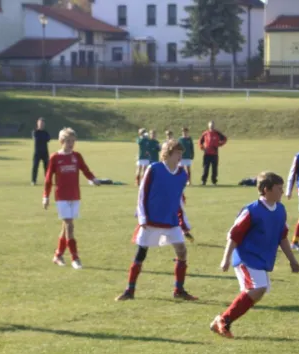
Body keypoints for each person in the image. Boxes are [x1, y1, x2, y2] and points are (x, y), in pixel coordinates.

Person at [210, 172, 299, 339]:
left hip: (261, 260)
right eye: (279, 188)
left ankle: (222, 321)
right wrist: (226, 259)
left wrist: (292, 260)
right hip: (246, 258)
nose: (282, 191)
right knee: (257, 288)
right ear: (266, 190)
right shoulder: (252, 211)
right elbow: (233, 235)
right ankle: (224, 320)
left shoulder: (280, 210)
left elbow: (282, 237)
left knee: (257, 291)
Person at [115, 140, 198, 302]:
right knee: (141, 253)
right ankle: (129, 290)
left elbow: (178, 200)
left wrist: (184, 223)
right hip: (152, 220)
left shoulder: (182, 174)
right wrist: (143, 217)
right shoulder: (154, 169)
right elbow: (142, 193)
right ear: (168, 153)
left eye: (181, 153)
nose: (180, 156)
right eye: (177, 153)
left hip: (171, 220)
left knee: (182, 252)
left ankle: (178, 289)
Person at [43, 128, 101, 269]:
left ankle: (58, 255)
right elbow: (48, 178)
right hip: (61, 196)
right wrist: (45, 196)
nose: (71, 144)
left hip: (75, 195)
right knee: (69, 225)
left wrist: (93, 179)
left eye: (73, 141)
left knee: (66, 227)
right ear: (61, 141)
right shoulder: (55, 157)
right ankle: (75, 258)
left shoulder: (77, 156)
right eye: (68, 141)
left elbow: (85, 169)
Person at [199, 120, 227, 185]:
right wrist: (202, 148)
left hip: (214, 154)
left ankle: (214, 181)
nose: (211, 127)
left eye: (212, 125)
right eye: (210, 125)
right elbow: (200, 141)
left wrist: (220, 144)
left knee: (214, 168)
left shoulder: (217, 133)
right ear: (208, 126)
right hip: (207, 154)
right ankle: (204, 181)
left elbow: (225, 139)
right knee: (205, 168)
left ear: (214, 126)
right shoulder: (205, 133)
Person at [31, 117, 51, 186]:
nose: (41, 124)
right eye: (40, 123)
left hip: (45, 152)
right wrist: (43, 139)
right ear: (37, 123)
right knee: (35, 166)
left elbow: (48, 139)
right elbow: (37, 139)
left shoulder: (46, 132)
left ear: (44, 124)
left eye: (42, 123)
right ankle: (33, 181)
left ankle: (47, 180)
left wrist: (43, 139)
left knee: (47, 167)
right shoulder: (35, 132)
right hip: (37, 152)